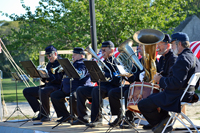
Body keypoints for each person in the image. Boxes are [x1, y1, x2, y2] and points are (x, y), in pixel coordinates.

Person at [138, 32, 200, 133]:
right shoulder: (194, 58)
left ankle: (162, 124)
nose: (171, 46)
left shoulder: (182, 59)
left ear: (179, 44)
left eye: (173, 44)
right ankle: (164, 123)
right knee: (153, 98)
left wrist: (160, 80)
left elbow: (175, 83)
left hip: (177, 96)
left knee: (143, 104)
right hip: (188, 94)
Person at [71, 41, 121, 127]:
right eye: (101, 50)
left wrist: (106, 75)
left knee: (96, 90)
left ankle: (96, 119)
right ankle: (83, 117)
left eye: (104, 50)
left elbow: (118, 80)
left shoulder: (116, 62)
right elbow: (98, 81)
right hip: (102, 87)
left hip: (111, 87)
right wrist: (94, 75)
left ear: (112, 51)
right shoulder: (103, 62)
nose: (102, 52)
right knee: (80, 90)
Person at [142, 34, 178, 130]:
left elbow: (171, 78)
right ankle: (159, 122)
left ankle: (160, 123)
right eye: (157, 44)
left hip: (170, 91)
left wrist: (160, 78)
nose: (157, 47)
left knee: (145, 102)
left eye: (160, 44)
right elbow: (157, 72)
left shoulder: (173, 58)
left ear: (168, 45)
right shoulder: (162, 58)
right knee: (146, 97)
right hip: (163, 88)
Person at [50, 47, 93, 123]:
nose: (73, 56)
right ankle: (65, 115)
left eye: (75, 55)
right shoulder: (72, 63)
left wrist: (71, 68)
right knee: (54, 95)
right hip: (67, 88)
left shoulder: (83, 63)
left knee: (74, 96)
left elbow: (81, 74)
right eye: (73, 54)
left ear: (81, 56)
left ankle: (81, 117)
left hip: (79, 88)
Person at [23, 45, 64, 122]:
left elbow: (59, 80)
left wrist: (48, 77)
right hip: (48, 86)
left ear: (55, 54)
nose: (48, 58)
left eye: (49, 56)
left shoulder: (60, 63)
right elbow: (46, 81)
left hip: (57, 87)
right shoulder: (49, 64)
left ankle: (46, 115)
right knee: (27, 91)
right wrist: (41, 76)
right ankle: (41, 111)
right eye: (47, 56)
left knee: (43, 91)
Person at [107, 43, 144, 127]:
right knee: (112, 92)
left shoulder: (149, 60)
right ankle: (119, 116)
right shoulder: (140, 60)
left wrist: (132, 75)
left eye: (141, 46)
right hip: (134, 85)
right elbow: (132, 77)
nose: (138, 48)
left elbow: (140, 76)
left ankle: (130, 119)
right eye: (138, 46)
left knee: (127, 92)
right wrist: (124, 72)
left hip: (142, 87)